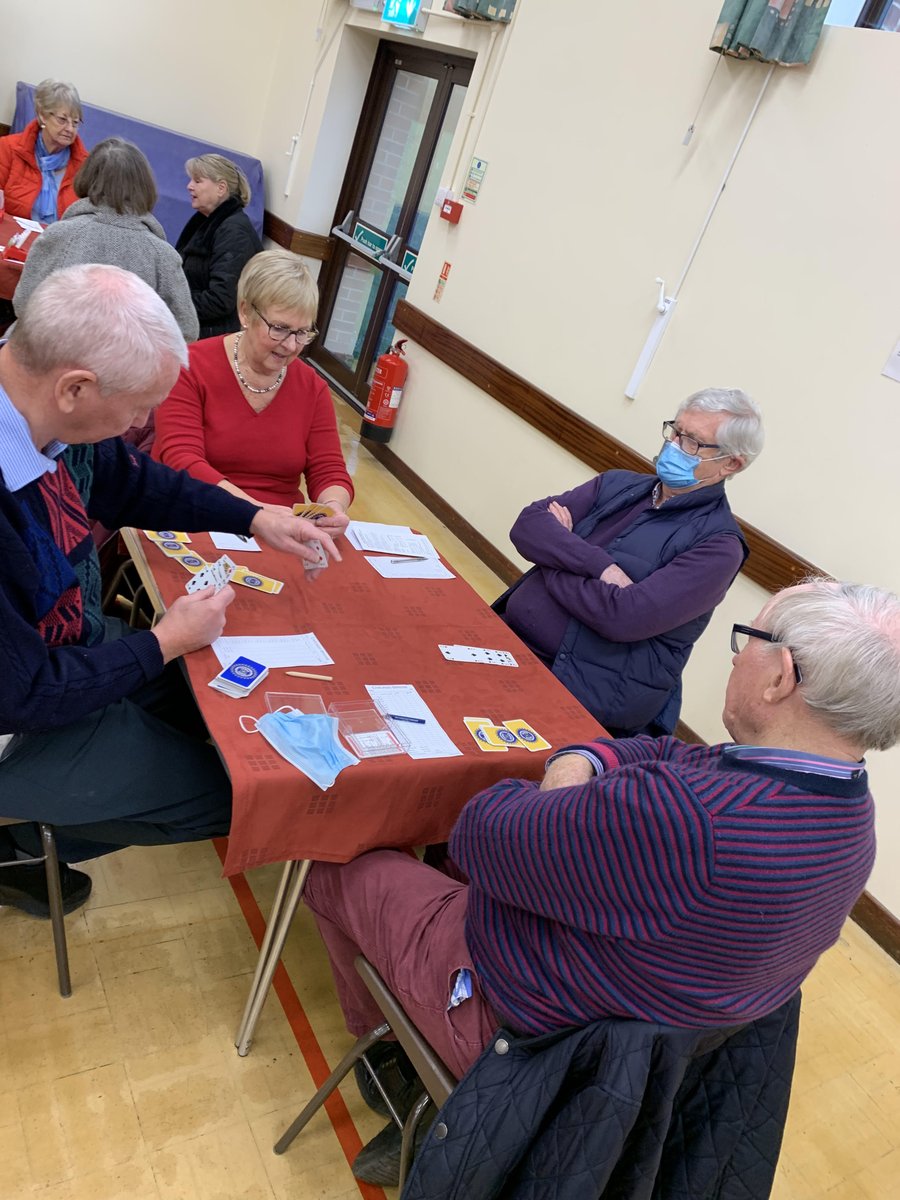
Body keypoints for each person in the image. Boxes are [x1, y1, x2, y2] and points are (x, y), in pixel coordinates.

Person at [303, 578, 900, 1184]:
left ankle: (395, 1066)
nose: (735, 656)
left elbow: (480, 832)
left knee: (332, 863)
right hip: (647, 1046)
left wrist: (562, 784)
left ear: (780, 677)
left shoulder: (687, 819)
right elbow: (668, 753)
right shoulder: (849, 816)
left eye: (748, 639)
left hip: (532, 1040)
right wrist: (586, 759)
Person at [0, 264, 341, 920]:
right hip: (21, 718)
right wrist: (162, 642)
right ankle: (18, 847)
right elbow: (27, 694)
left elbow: (136, 482)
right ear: (75, 388)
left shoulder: (42, 408)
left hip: (65, 650)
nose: (142, 422)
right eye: (137, 408)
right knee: (238, 796)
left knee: (211, 707)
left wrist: (255, 517)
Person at [493, 387, 763, 737]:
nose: (674, 445)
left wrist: (554, 557)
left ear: (731, 463)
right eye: (675, 431)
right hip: (508, 637)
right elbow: (528, 526)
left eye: (692, 442)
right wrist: (599, 567)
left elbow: (624, 617)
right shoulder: (618, 484)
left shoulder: (719, 547)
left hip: (578, 688)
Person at [153, 249, 353, 515]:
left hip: (279, 524)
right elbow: (182, 460)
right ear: (245, 312)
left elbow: (329, 470)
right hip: (193, 511)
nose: (291, 345)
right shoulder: (190, 367)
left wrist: (333, 508)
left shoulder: (312, 388)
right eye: (279, 328)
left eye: (302, 332)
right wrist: (257, 513)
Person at [13, 137, 199, 341]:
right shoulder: (163, 256)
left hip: (49, 352)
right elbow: (185, 331)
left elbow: (24, 304)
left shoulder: (59, 235)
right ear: (145, 185)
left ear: (88, 177)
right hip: (125, 360)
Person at [175, 153, 263, 339]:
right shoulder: (206, 220)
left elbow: (221, 299)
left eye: (197, 181)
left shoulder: (235, 233)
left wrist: (172, 303)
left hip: (212, 335)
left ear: (221, 188)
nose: (189, 186)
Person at [0, 79, 88, 223]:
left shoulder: (86, 167)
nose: (70, 129)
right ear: (43, 116)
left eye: (75, 123)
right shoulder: (8, 148)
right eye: (62, 119)